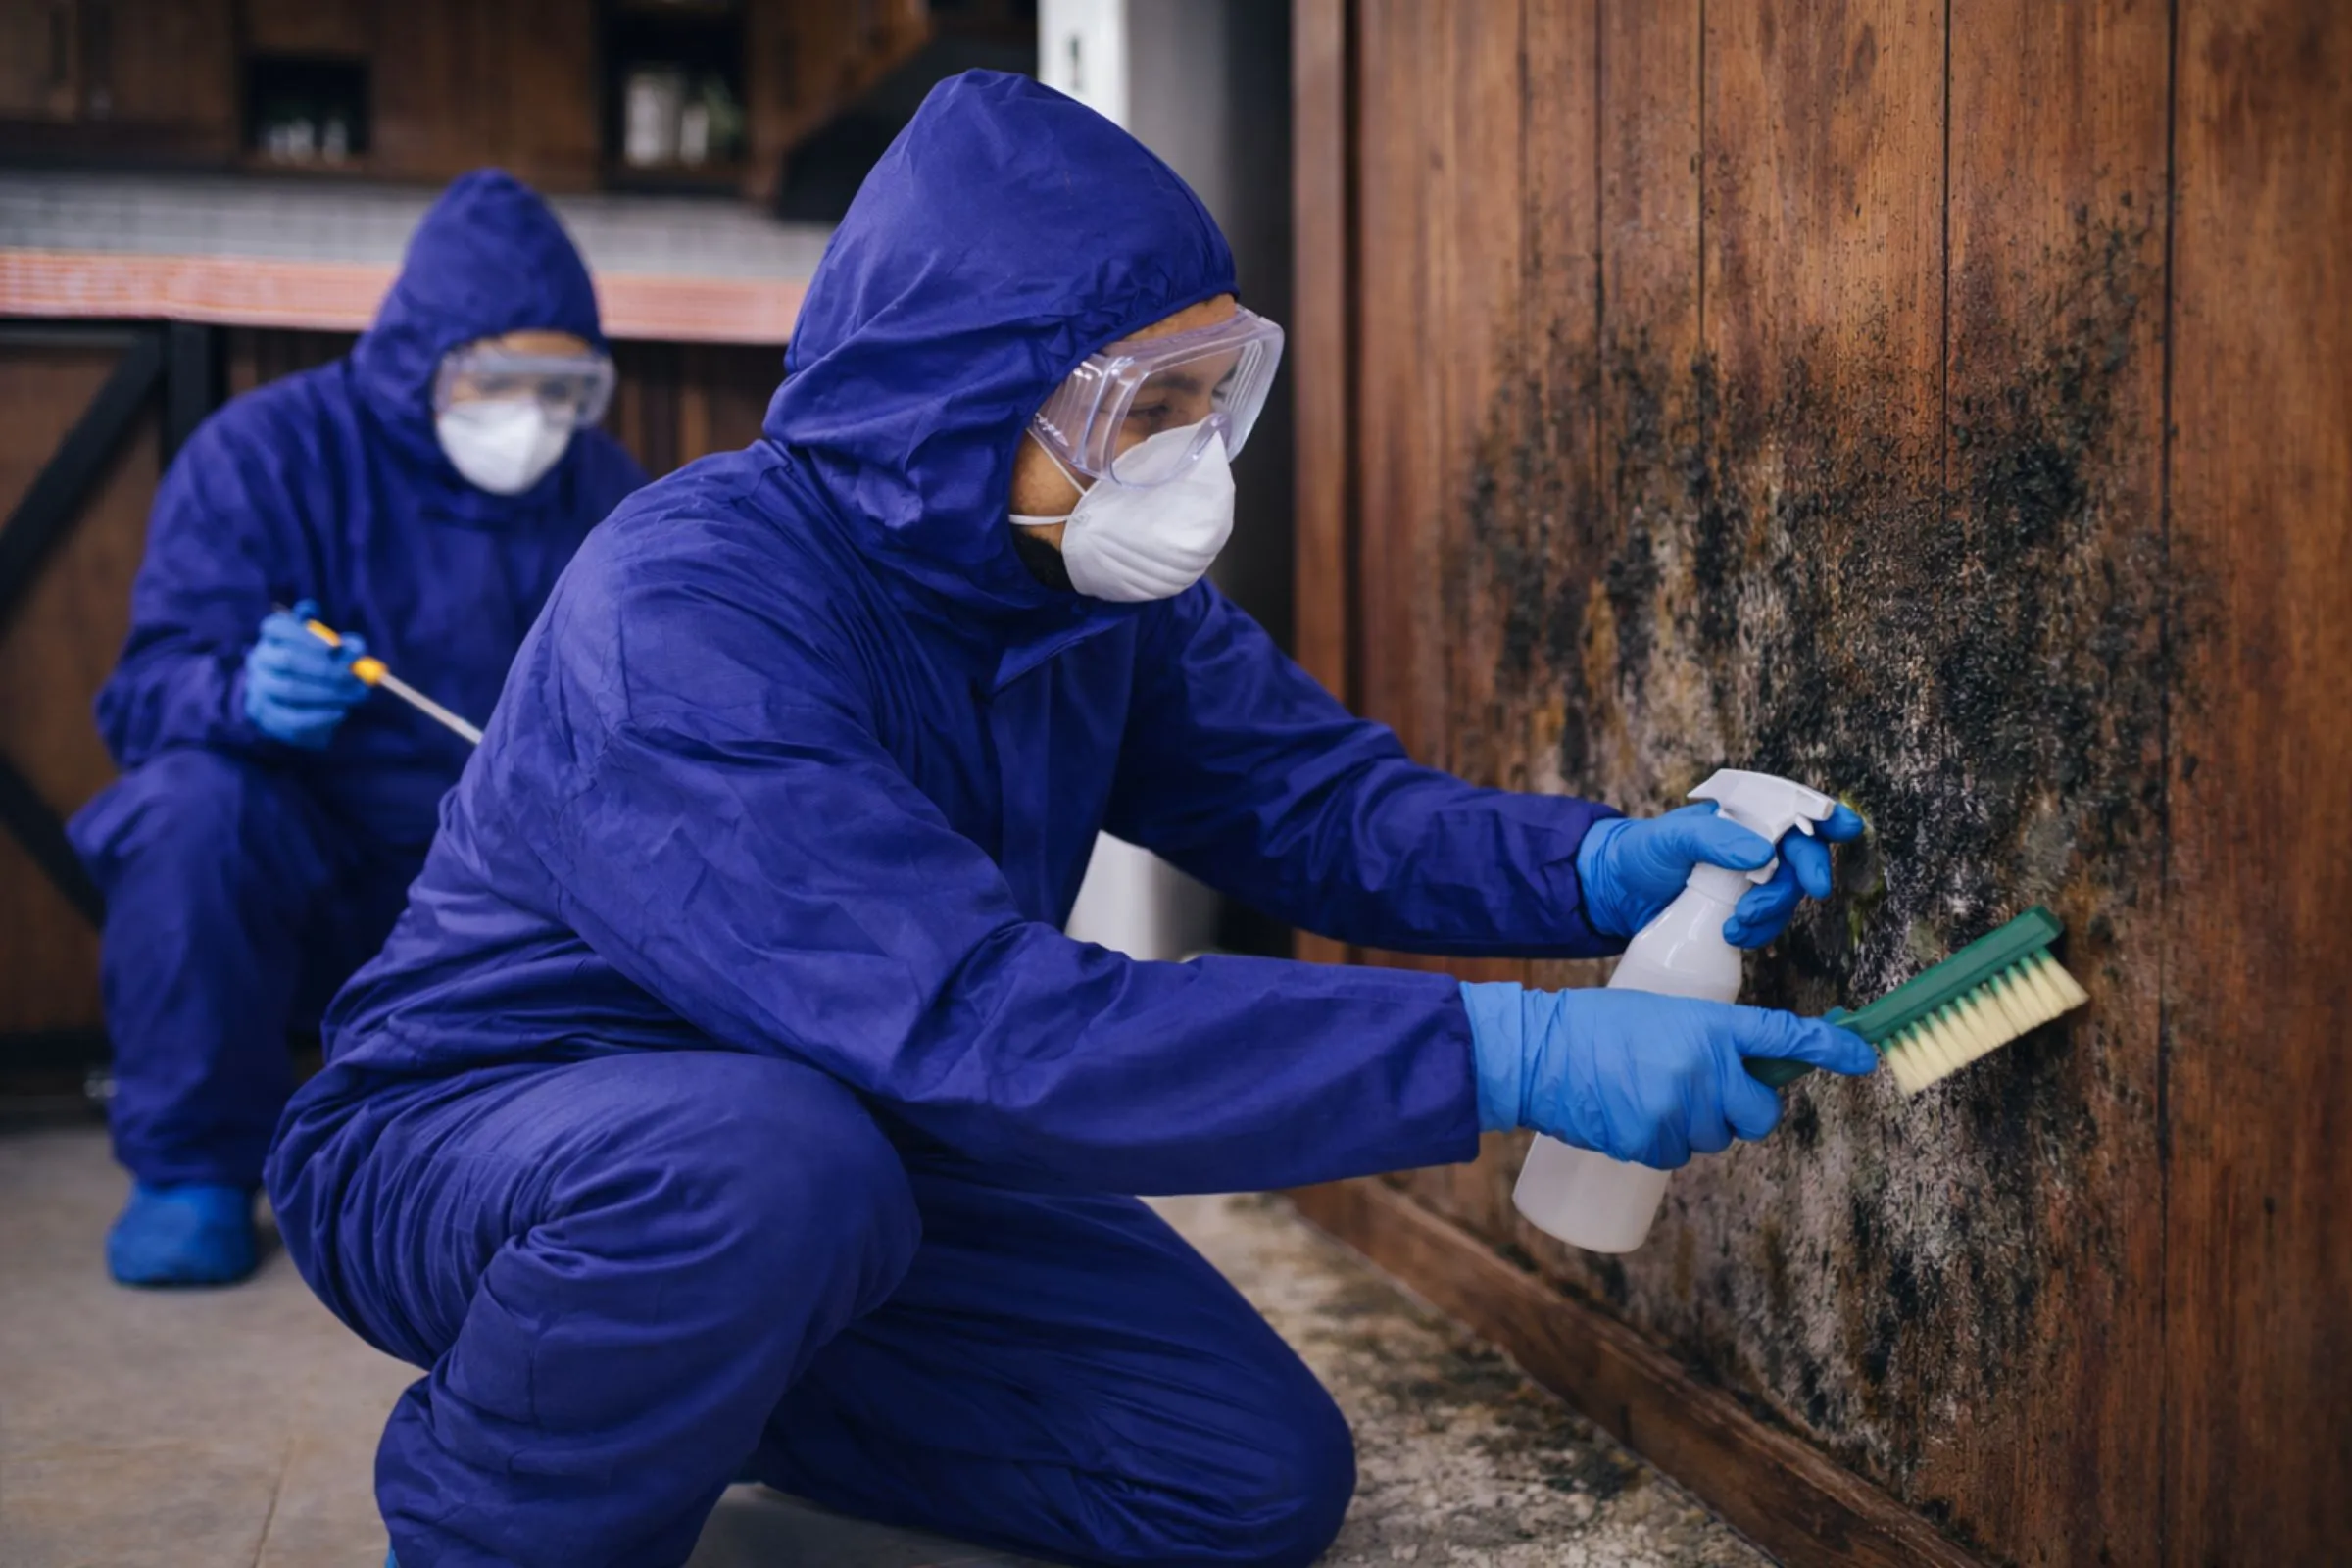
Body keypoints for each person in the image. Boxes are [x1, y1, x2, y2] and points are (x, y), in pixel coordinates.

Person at [267, 75, 1875, 1568]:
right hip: (491, 1133)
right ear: (953, 401)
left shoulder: (1077, 594)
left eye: (1210, 396)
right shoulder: (688, 611)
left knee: (1236, 1474)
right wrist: (1508, 1061)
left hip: (856, 1124)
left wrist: (1598, 866)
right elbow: (981, 1025)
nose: (1184, 463)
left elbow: (1315, 803)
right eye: (1140, 409)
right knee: (763, 1173)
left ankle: (683, 1377)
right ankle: (498, 1511)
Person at [73, 171, 647, 1288]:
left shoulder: (605, 489)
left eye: (564, 386)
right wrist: (240, 694)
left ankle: (558, 1162)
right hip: (323, 881)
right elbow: (141, 700)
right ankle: (192, 1169)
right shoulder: (267, 456)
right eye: (499, 379)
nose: (531, 416)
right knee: (189, 808)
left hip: (512, 897)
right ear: (420, 355)